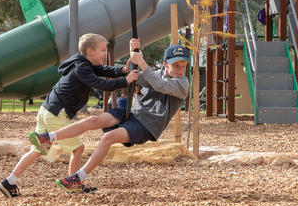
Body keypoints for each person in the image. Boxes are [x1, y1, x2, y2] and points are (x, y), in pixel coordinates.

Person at [30, 40, 190, 193]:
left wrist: (141, 61)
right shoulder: (156, 73)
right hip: (132, 111)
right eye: (176, 65)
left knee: (108, 137)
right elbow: (136, 76)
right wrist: (133, 54)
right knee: (94, 120)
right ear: (165, 64)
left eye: (183, 66)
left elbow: (160, 85)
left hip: (147, 125)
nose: (180, 70)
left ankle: (78, 178)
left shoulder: (183, 83)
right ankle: (49, 138)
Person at [0, 33, 138, 198]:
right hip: (57, 113)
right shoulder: (81, 67)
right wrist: (125, 80)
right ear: (90, 51)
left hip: (47, 110)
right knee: (78, 148)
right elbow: (100, 83)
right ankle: (74, 185)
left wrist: (122, 70)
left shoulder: (83, 63)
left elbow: (101, 70)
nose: (105, 54)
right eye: (102, 50)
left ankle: (9, 181)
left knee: (38, 149)